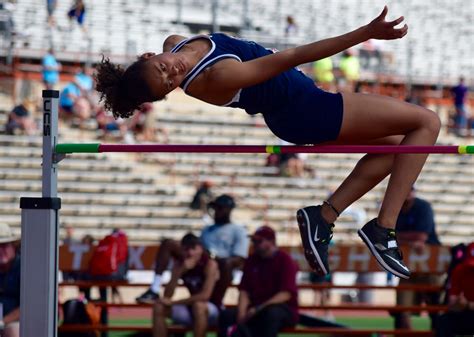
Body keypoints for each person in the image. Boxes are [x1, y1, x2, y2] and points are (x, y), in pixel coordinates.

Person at [95, 6, 441, 280]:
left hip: (303, 103)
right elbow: (294, 57)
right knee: (427, 122)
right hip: (305, 110)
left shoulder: (175, 43)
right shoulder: (217, 76)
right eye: (169, 83)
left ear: (149, 55)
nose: (175, 72)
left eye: (164, 69)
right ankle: (384, 227)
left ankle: (324, 216)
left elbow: (177, 46)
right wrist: (367, 34)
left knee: (398, 146)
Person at [136, 194, 248, 307]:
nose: (216, 211)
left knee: (224, 263)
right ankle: (154, 288)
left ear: (229, 210)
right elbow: (199, 249)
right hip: (201, 262)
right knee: (168, 243)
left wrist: (214, 258)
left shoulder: (238, 230)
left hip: (221, 267)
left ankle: (217, 301)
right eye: (215, 208)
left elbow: (239, 259)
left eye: (220, 208)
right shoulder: (207, 229)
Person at [218, 226, 299, 337]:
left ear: (272, 242)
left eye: (259, 241)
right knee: (227, 315)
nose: (255, 244)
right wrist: (241, 313)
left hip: (281, 308)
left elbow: (285, 294)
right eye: (254, 241)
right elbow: (244, 290)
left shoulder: (285, 260)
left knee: (271, 314)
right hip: (255, 308)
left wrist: (258, 309)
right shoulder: (251, 260)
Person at [392, 186, 442, 330]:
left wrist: (399, 238)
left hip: (428, 264)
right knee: (403, 308)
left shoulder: (422, 207)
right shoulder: (400, 208)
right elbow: (390, 234)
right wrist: (410, 241)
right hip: (410, 263)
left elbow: (421, 237)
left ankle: (437, 330)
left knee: (435, 304)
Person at [153, 233, 220, 337]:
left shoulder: (209, 264)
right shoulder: (180, 264)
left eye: (193, 248)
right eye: (186, 249)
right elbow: (167, 295)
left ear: (201, 248)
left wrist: (174, 302)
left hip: (212, 309)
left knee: (199, 306)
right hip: (191, 308)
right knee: (159, 306)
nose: (190, 253)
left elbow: (205, 296)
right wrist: (179, 272)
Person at [436, 242, 474, 337]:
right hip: (466, 313)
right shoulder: (459, 270)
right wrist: (459, 303)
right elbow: (452, 303)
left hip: (469, 310)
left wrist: (468, 304)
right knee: (444, 321)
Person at [0, 223, 21, 337]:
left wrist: (3, 321)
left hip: (16, 322)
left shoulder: (24, 268)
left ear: (13, 246)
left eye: (4, 245)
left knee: (13, 331)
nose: (1, 250)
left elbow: (28, 306)